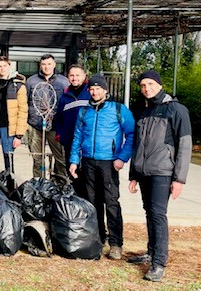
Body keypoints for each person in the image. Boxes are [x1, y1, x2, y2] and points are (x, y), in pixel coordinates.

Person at [128, 70, 192, 282]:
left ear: (159, 84)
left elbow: (184, 145)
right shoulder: (144, 111)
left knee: (157, 214)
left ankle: (159, 263)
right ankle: (151, 252)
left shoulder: (176, 109)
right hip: (144, 172)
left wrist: (179, 179)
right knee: (149, 213)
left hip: (163, 173)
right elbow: (138, 144)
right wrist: (134, 174)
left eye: (151, 84)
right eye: (143, 85)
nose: (147, 88)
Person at [68, 74, 135, 260]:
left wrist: (122, 158)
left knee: (111, 202)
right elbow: (77, 138)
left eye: (98, 88)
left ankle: (116, 243)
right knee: (91, 201)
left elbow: (131, 135)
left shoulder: (119, 110)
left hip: (109, 163)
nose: (95, 91)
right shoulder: (84, 111)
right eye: (92, 88)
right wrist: (74, 160)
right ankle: (98, 236)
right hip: (88, 162)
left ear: (105, 90)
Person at [26, 54, 70, 178]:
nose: (46, 67)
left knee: (60, 158)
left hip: (56, 127)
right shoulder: (31, 81)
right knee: (37, 158)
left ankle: (60, 184)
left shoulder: (63, 81)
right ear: (40, 65)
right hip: (35, 126)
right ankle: (38, 184)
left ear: (54, 64)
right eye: (44, 64)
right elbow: (25, 101)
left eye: (49, 64)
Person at [0, 56, 28, 173]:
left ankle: (10, 183)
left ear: (9, 66)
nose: (2, 69)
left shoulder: (18, 85)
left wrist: (19, 135)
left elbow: (23, 111)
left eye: (4, 66)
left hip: (8, 127)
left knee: (8, 159)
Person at [54, 64, 90, 197]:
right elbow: (58, 117)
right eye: (72, 75)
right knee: (73, 174)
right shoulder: (64, 97)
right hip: (69, 142)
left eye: (77, 75)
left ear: (84, 76)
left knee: (87, 175)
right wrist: (60, 134)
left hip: (87, 143)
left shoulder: (90, 93)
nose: (74, 78)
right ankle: (76, 202)